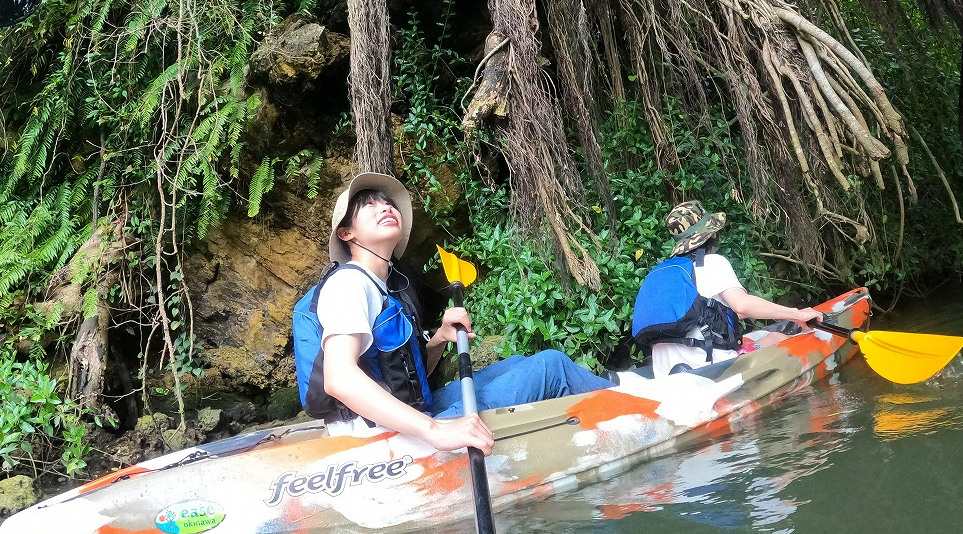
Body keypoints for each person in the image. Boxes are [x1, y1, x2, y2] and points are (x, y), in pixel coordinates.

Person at [297, 172, 612, 455]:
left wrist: (439, 338)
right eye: (370, 205)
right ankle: (635, 408)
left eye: (389, 203)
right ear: (346, 233)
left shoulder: (383, 287)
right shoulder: (349, 284)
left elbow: (410, 374)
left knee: (516, 364)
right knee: (551, 367)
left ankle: (606, 397)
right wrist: (434, 431)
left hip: (405, 417)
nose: (386, 207)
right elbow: (339, 379)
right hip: (381, 439)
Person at [632, 200, 823, 377]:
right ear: (712, 234)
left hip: (667, 374)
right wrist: (797, 314)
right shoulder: (712, 262)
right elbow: (742, 305)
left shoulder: (660, 273)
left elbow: (706, 314)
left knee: (754, 338)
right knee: (775, 337)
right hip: (709, 369)